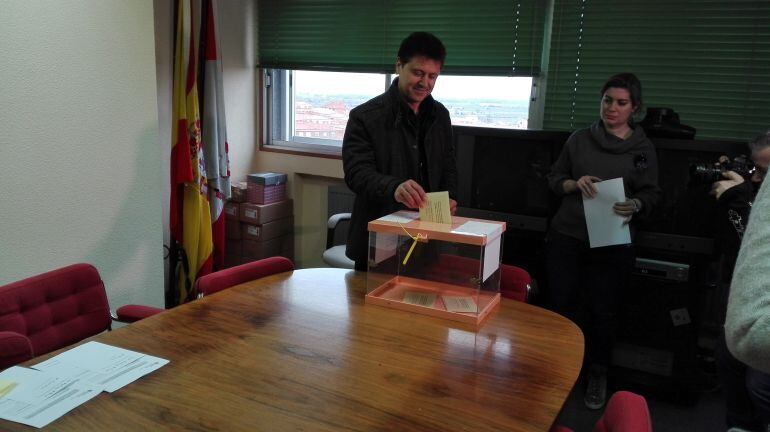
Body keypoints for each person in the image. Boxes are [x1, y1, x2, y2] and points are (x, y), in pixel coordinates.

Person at [545, 73, 661, 410]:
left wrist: (637, 204)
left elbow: (652, 192)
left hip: (611, 239)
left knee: (603, 311)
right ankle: (559, 371)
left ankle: (597, 373)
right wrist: (572, 184)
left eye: (621, 103)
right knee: (561, 305)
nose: (612, 108)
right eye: (607, 100)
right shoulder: (580, 139)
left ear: (634, 108)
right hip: (568, 234)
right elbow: (555, 178)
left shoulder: (642, 149)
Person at [342, 32, 458, 271]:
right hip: (378, 243)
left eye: (432, 76)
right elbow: (356, 173)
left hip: (426, 243)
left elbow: (448, 166)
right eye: (418, 73)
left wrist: (451, 197)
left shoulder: (441, 116)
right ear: (399, 65)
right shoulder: (365, 117)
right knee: (373, 309)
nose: (425, 83)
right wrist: (394, 188)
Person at [712, 130, 770, 432]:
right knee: (728, 358)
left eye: (766, 172)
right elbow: (741, 247)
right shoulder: (750, 193)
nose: (758, 179)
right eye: (756, 170)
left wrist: (744, 197)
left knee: (758, 384)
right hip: (738, 292)